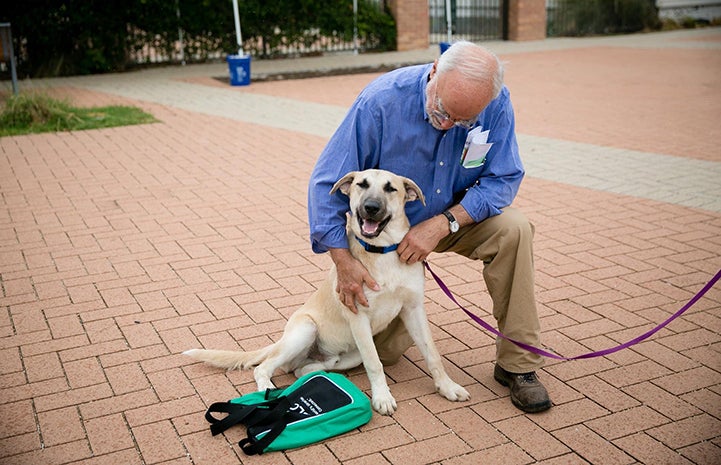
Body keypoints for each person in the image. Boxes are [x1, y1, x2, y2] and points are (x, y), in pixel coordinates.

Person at [307, 41, 551, 413]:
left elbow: (503, 178)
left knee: (515, 229)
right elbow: (327, 184)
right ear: (434, 71)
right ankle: (391, 327)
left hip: (454, 217)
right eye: (442, 109)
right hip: (389, 229)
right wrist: (342, 261)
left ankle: (518, 365)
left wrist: (444, 222)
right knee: (386, 353)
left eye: (463, 120)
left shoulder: (496, 104)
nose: (449, 122)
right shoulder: (380, 102)